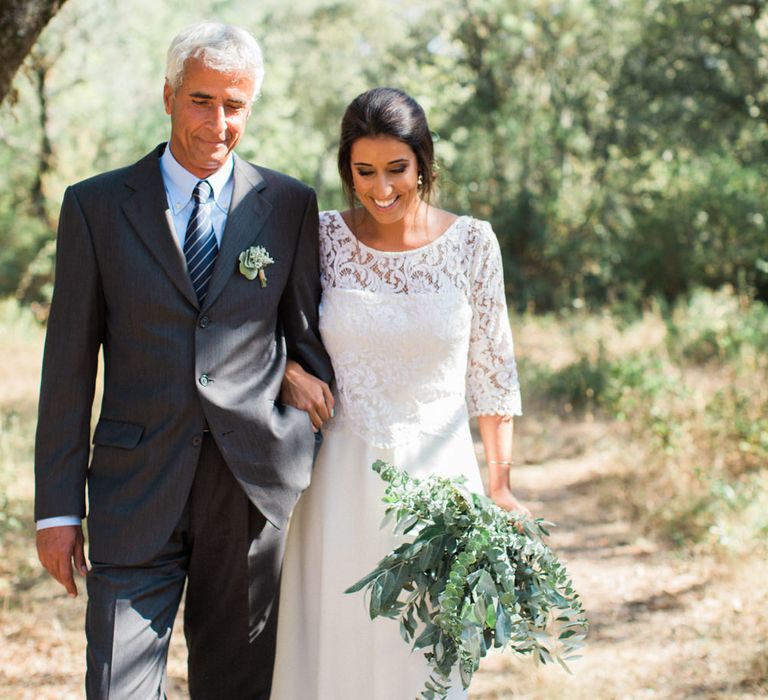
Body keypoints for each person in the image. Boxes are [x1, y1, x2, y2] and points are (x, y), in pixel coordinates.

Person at [33, 21, 332, 699]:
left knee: (236, 688)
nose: (218, 122)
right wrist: (56, 510)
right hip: (133, 489)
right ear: (167, 96)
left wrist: (284, 375)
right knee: (117, 688)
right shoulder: (96, 207)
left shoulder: (287, 206)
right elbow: (68, 366)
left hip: (250, 488)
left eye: (234, 105)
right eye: (201, 100)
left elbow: (309, 342)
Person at [270, 87, 529, 700]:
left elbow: (493, 372)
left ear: (423, 164)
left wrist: (500, 484)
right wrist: (286, 372)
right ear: (346, 169)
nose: (381, 188)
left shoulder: (472, 243)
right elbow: (256, 326)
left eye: (397, 170)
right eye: (364, 172)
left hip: (439, 481)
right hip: (337, 478)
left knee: (424, 654)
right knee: (334, 648)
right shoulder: (320, 236)